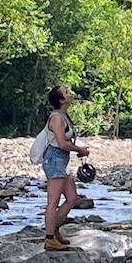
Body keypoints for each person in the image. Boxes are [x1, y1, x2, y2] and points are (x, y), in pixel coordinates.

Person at [34, 85, 90, 251]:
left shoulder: (64, 116)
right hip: (54, 160)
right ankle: (49, 239)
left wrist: (77, 150)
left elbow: (65, 144)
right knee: (53, 202)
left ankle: (54, 229)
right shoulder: (56, 118)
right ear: (61, 100)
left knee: (72, 198)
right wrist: (80, 149)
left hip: (61, 160)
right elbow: (62, 143)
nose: (70, 94)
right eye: (66, 92)